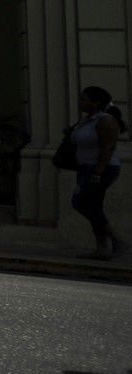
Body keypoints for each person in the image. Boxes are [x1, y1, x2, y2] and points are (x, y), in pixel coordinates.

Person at [67, 86, 125, 260]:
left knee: (80, 203)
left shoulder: (105, 120)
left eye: (84, 99)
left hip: (100, 168)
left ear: (96, 103)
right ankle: (102, 248)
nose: (80, 103)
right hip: (85, 167)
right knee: (94, 206)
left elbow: (109, 147)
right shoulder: (87, 120)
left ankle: (116, 238)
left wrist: (98, 172)